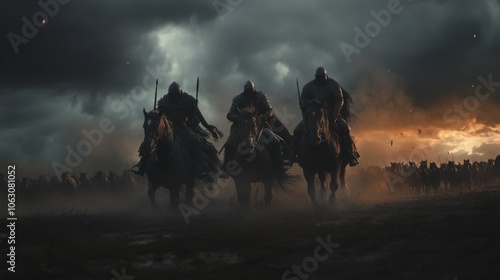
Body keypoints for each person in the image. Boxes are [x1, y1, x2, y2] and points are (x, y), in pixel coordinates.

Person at [132, 82, 222, 177]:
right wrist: (153, 114)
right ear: (169, 94)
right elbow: (157, 115)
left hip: (183, 128)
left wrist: (210, 129)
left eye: (176, 95)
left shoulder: (189, 102)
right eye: (172, 95)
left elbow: (201, 119)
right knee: (148, 142)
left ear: (180, 94)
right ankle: (143, 165)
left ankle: (199, 168)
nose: (174, 98)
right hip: (168, 129)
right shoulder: (164, 102)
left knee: (196, 141)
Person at [287, 67, 360, 167]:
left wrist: (335, 113)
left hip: (331, 114)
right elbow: (303, 100)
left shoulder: (333, 85)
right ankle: (292, 156)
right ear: (316, 77)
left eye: (322, 77)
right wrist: (304, 107)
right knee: (297, 130)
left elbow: (340, 100)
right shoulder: (309, 86)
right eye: (319, 77)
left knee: (345, 128)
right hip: (314, 116)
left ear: (326, 76)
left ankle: (351, 154)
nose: (321, 79)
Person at [218, 80, 291, 179]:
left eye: (250, 91)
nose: (249, 93)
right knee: (229, 143)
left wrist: (265, 116)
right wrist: (241, 118)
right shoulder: (238, 99)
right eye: (247, 91)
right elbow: (229, 114)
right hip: (241, 127)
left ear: (253, 90)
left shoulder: (261, 97)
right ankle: (226, 169)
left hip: (260, 125)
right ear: (245, 91)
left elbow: (269, 110)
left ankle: (278, 165)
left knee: (275, 141)